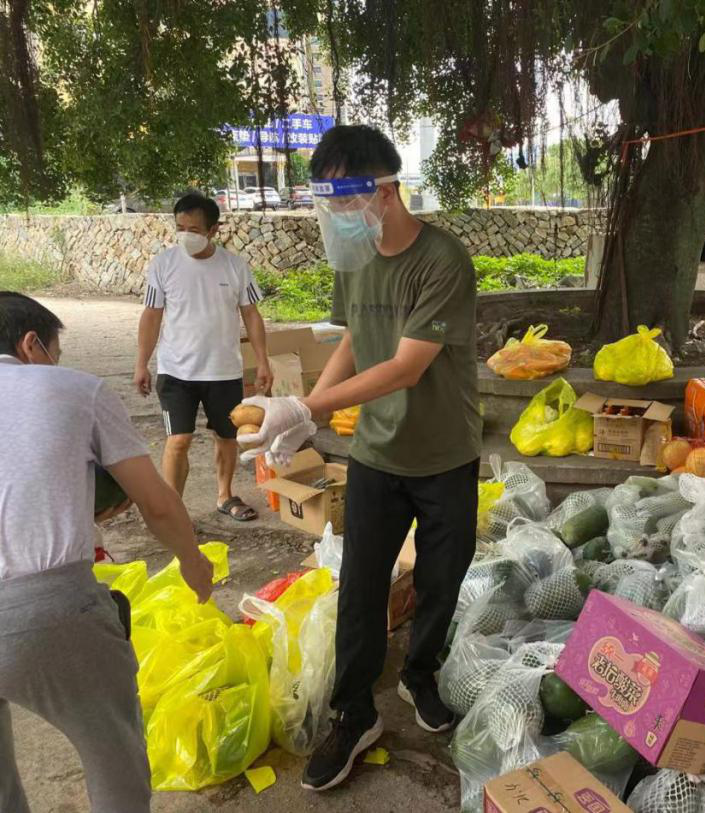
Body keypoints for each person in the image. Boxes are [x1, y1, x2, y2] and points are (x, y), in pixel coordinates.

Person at [237, 125, 482, 791]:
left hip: (444, 453)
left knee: (439, 578)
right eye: (329, 206)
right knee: (362, 587)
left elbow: (405, 366)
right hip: (376, 452)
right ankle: (354, 712)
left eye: (346, 203)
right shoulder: (356, 258)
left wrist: (307, 408)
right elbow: (351, 338)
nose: (338, 219)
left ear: (385, 190)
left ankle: (419, 672)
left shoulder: (442, 260)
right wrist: (304, 411)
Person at [0, 292, 214, 813]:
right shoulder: (73, 388)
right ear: (32, 345)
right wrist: (193, 560)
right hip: (43, 611)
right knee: (112, 756)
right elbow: (156, 503)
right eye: (54, 351)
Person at [133, 191, 272, 521]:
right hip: (175, 371)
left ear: (213, 230)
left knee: (226, 437)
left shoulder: (234, 266)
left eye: (194, 229)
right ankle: (173, 509)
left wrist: (263, 360)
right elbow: (151, 316)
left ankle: (225, 495)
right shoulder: (164, 264)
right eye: (180, 227)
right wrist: (141, 363)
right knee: (178, 440)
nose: (186, 235)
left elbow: (251, 314)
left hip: (223, 370)